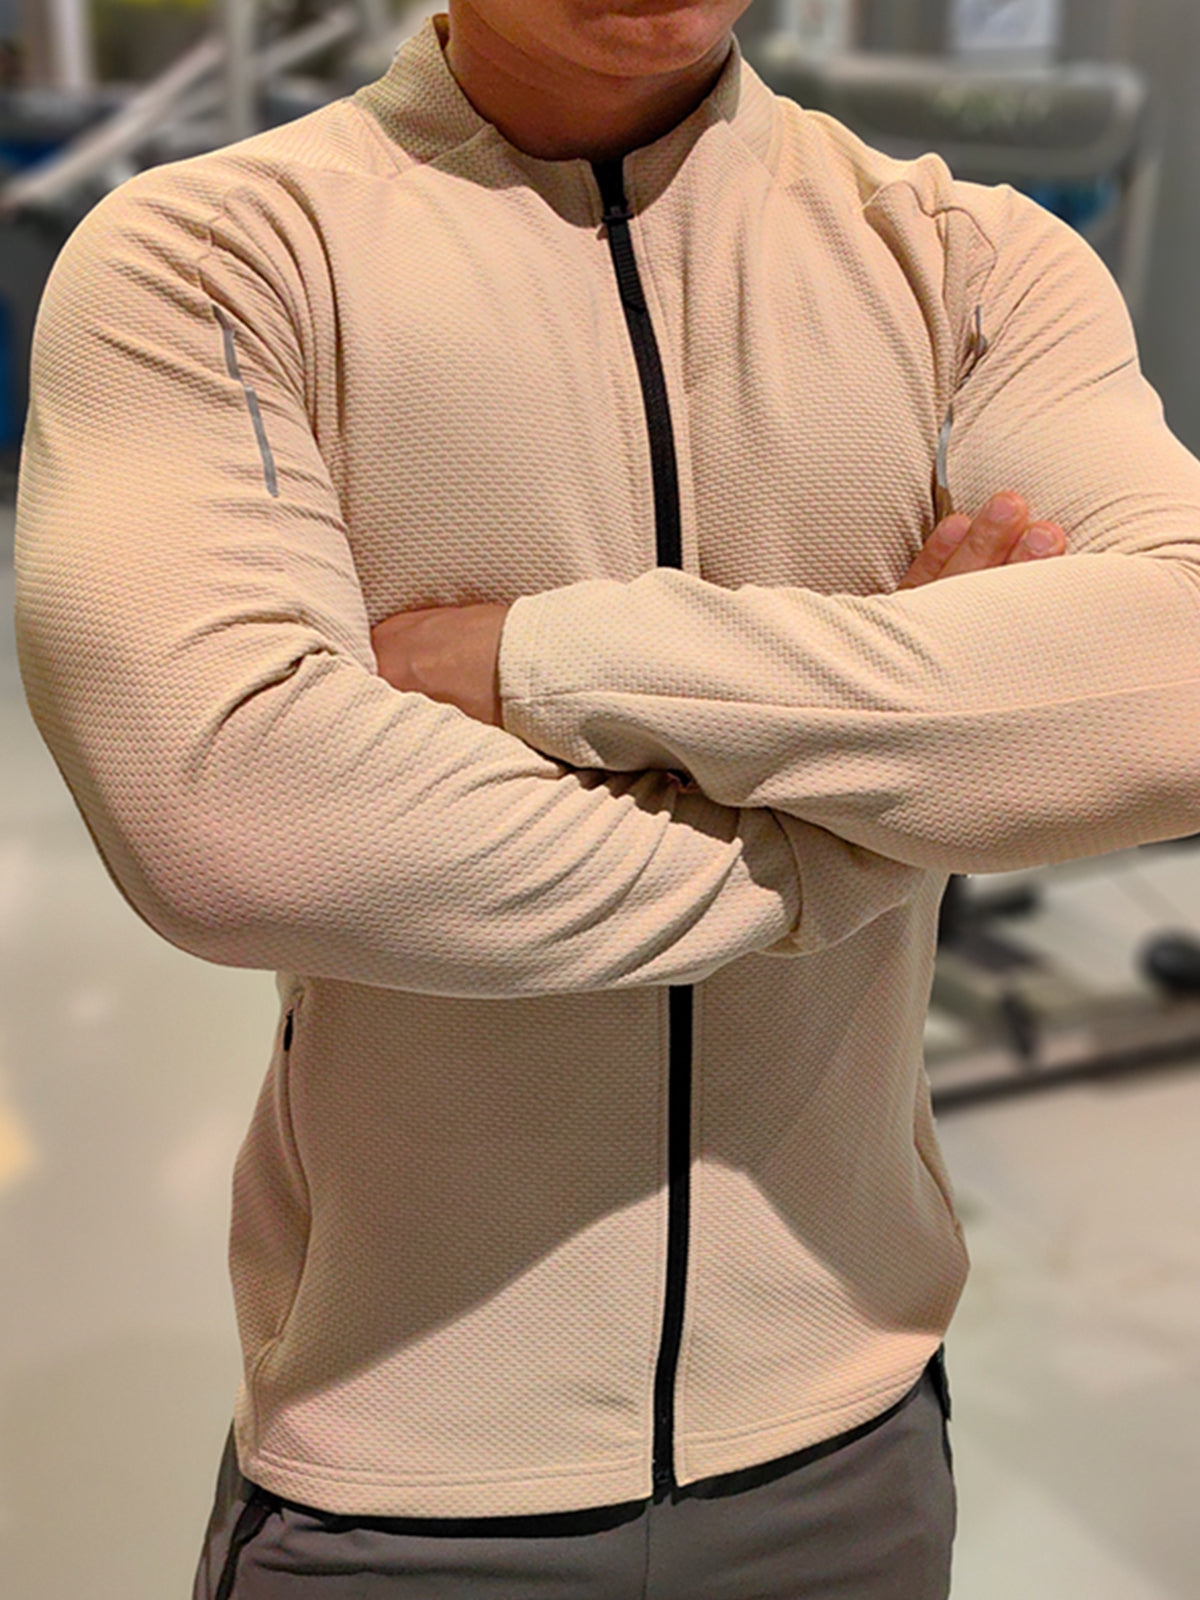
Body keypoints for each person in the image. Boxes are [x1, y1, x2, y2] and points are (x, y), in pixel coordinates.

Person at [13, 3, 1200, 1596]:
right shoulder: (220, 256)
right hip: (402, 1468)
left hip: (853, 1431)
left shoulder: (966, 260)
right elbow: (233, 815)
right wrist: (891, 795)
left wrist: (537, 660)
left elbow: (1176, 674)